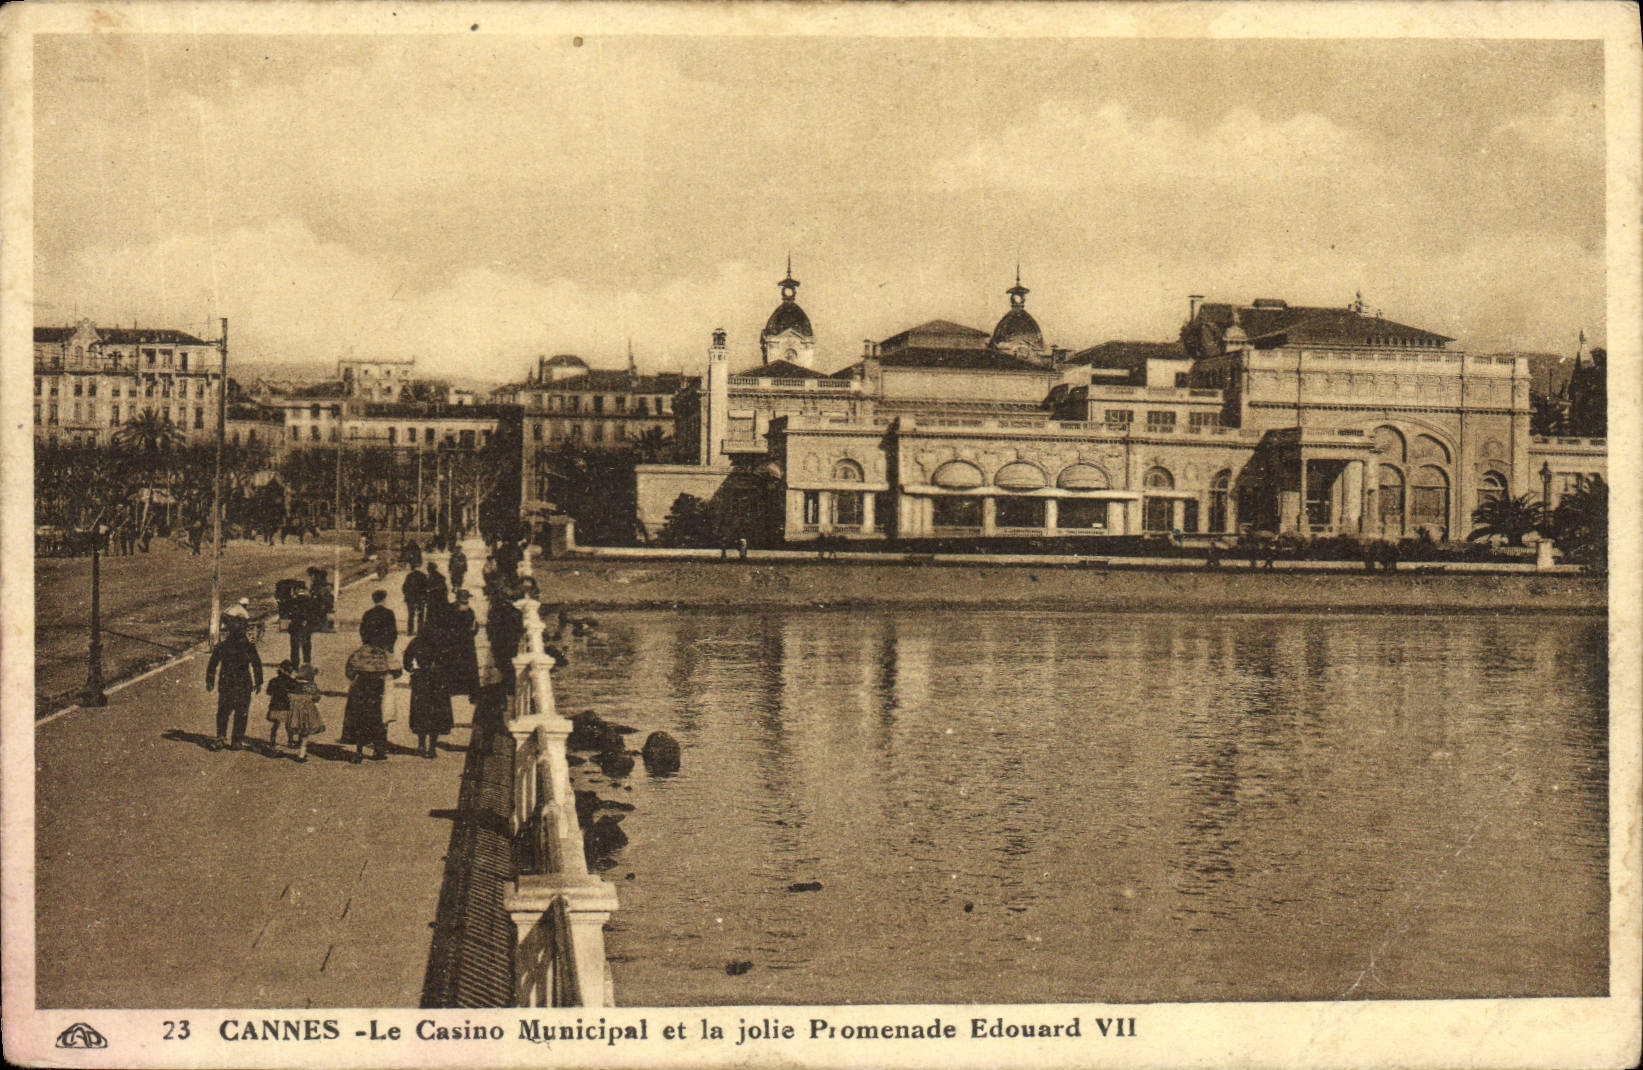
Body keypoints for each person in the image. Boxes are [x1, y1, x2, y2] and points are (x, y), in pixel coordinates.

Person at [205, 606, 263, 750]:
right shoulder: (247, 646)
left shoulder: (224, 646)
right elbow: (256, 664)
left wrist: (210, 680)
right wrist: (259, 682)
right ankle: (234, 740)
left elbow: (212, 664)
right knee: (239, 713)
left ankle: (222, 738)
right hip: (241, 683)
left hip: (229, 682)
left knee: (225, 712)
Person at [340, 644, 398, 763]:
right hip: (378, 687)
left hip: (361, 688)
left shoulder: (359, 653)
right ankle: (379, 750)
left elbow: (349, 673)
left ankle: (359, 752)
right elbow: (397, 671)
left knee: (359, 719)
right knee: (379, 719)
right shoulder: (384, 654)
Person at [404, 629, 453, 758]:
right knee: (436, 713)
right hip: (438, 679)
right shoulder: (444, 641)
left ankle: (421, 745)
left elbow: (407, 660)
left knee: (421, 712)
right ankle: (432, 747)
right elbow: (451, 661)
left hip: (421, 679)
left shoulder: (416, 641)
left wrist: (412, 669)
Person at [444, 589, 481, 700]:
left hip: (461, 642)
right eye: (463, 598)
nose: (465, 600)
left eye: (466, 598)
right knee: (459, 664)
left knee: (462, 664)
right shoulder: (455, 610)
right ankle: (458, 688)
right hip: (459, 642)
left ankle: (461, 688)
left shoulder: (468, 611)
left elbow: (475, 626)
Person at [285, 665, 325, 762]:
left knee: (293, 726)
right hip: (306, 711)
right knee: (305, 733)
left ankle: (290, 741)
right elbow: (317, 697)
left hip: (294, 711)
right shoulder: (311, 686)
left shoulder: (293, 684)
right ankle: (302, 754)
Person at [265, 660, 298, 749]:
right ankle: (290, 741)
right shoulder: (292, 681)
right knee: (288, 725)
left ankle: (272, 742)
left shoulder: (273, 680)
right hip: (287, 705)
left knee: (275, 725)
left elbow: (268, 692)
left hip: (275, 705)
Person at [287, 588, 317, 667]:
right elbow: (313, 614)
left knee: (295, 648)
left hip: (295, 626)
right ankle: (306, 663)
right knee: (306, 647)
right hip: (305, 627)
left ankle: (295, 665)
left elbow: (290, 614)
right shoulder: (309, 601)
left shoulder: (294, 601)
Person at [403, 565, 428, 636]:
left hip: (411, 599)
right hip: (420, 599)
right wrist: (425, 598)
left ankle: (410, 631)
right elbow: (426, 588)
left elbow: (404, 587)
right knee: (421, 615)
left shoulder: (409, 576)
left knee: (411, 615)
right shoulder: (423, 576)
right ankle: (420, 631)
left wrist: (407, 595)